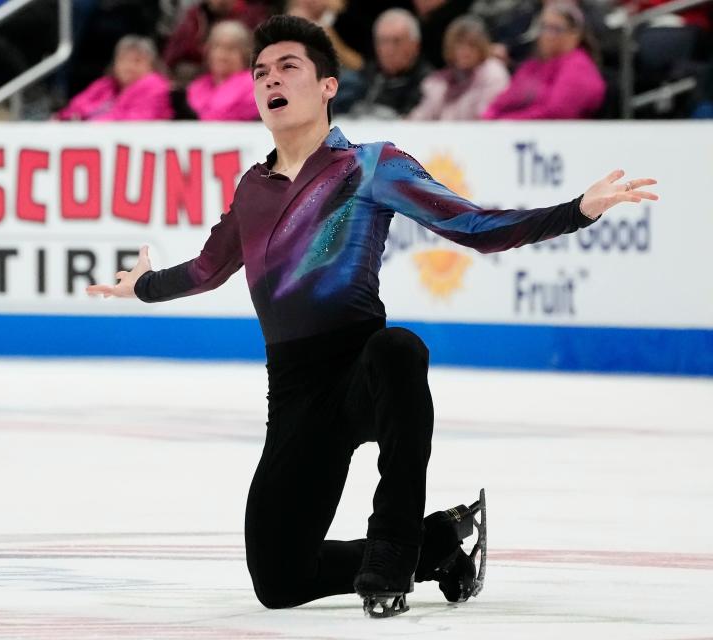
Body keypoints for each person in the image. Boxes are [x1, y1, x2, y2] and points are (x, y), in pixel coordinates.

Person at [85, 14, 658, 616]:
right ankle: (436, 544)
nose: (269, 80)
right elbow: (206, 270)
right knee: (278, 580)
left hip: (364, 367)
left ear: (329, 85)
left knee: (400, 349)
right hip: (296, 391)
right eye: (260, 72)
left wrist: (577, 211)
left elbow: (475, 227)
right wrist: (143, 286)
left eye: (288, 67)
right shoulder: (252, 188)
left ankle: (393, 546)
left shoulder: (370, 164)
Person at [482, 1, 605, 120]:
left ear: (574, 34)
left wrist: (506, 122)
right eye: (543, 27)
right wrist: (491, 117)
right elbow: (503, 101)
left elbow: (557, 112)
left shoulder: (579, 67)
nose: (546, 35)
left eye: (554, 29)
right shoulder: (533, 65)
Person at [333, 8, 431, 118]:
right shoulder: (360, 79)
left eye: (396, 41)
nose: (388, 50)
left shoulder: (431, 85)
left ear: (415, 45)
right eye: (383, 41)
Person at [408, 14, 508, 120]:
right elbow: (424, 114)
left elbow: (485, 115)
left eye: (471, 45)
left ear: (482, 46)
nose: (465, 51)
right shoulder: (441, 81)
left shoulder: (493, 73)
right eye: (459, 45)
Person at [55, 35, 172, 121]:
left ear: (152, 65)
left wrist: (88, 123)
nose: (129, 67)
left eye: (137, 61)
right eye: (123, 60)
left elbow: (134, 122)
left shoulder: (155, 86)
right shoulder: (105, 85)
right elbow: (74, 108)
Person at [173, 20, 259, 120]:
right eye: (216, 47)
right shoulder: (197, 86)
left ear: (245, 55)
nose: (222, 55)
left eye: (230, 49)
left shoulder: (254, 85)